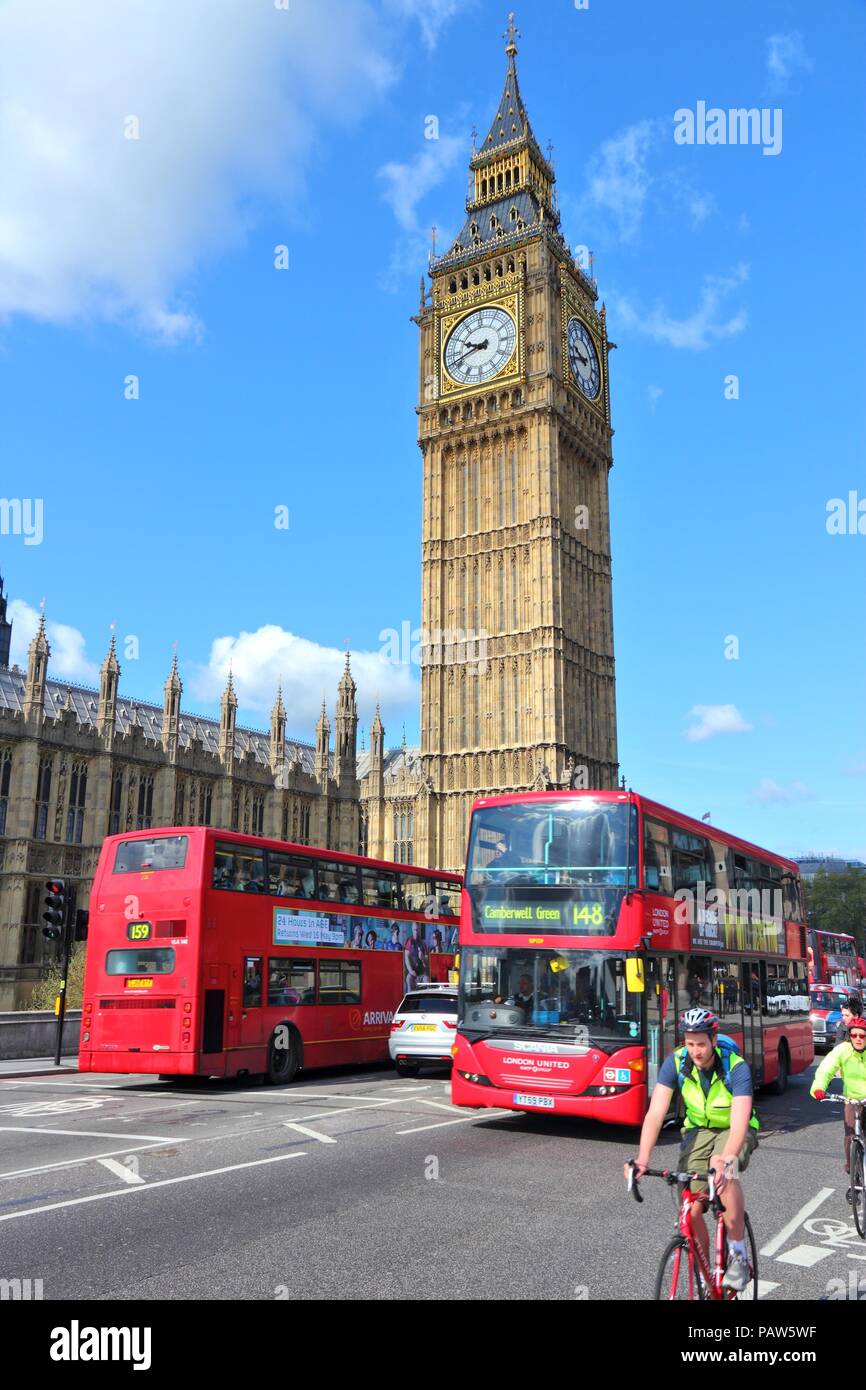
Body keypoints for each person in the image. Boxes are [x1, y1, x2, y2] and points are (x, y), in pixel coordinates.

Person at [626, 1007, 759, 1293]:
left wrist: (726, 1160)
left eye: (701, 1043)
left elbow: (738, 1125)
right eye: (690, 1043)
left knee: (722, 1169)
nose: (695, 1051)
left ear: (713, 1039)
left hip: (736, 1130)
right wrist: (642, 1159)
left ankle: (737, 1252)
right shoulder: (675, 1063)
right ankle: (706, 1271)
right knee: (691, 1206)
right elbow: (655, 1113)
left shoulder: (736, 1067)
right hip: (698, 1130)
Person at [811, 1014, 866, 1202]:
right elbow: (826, 1068)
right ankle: (854, 1177)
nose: (858, 1039)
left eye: (862, 1036)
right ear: (850, 1036)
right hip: (851, 1099)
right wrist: (819, 1088)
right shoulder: (843, 1050)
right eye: (854, 1035)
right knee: (851, 1136)